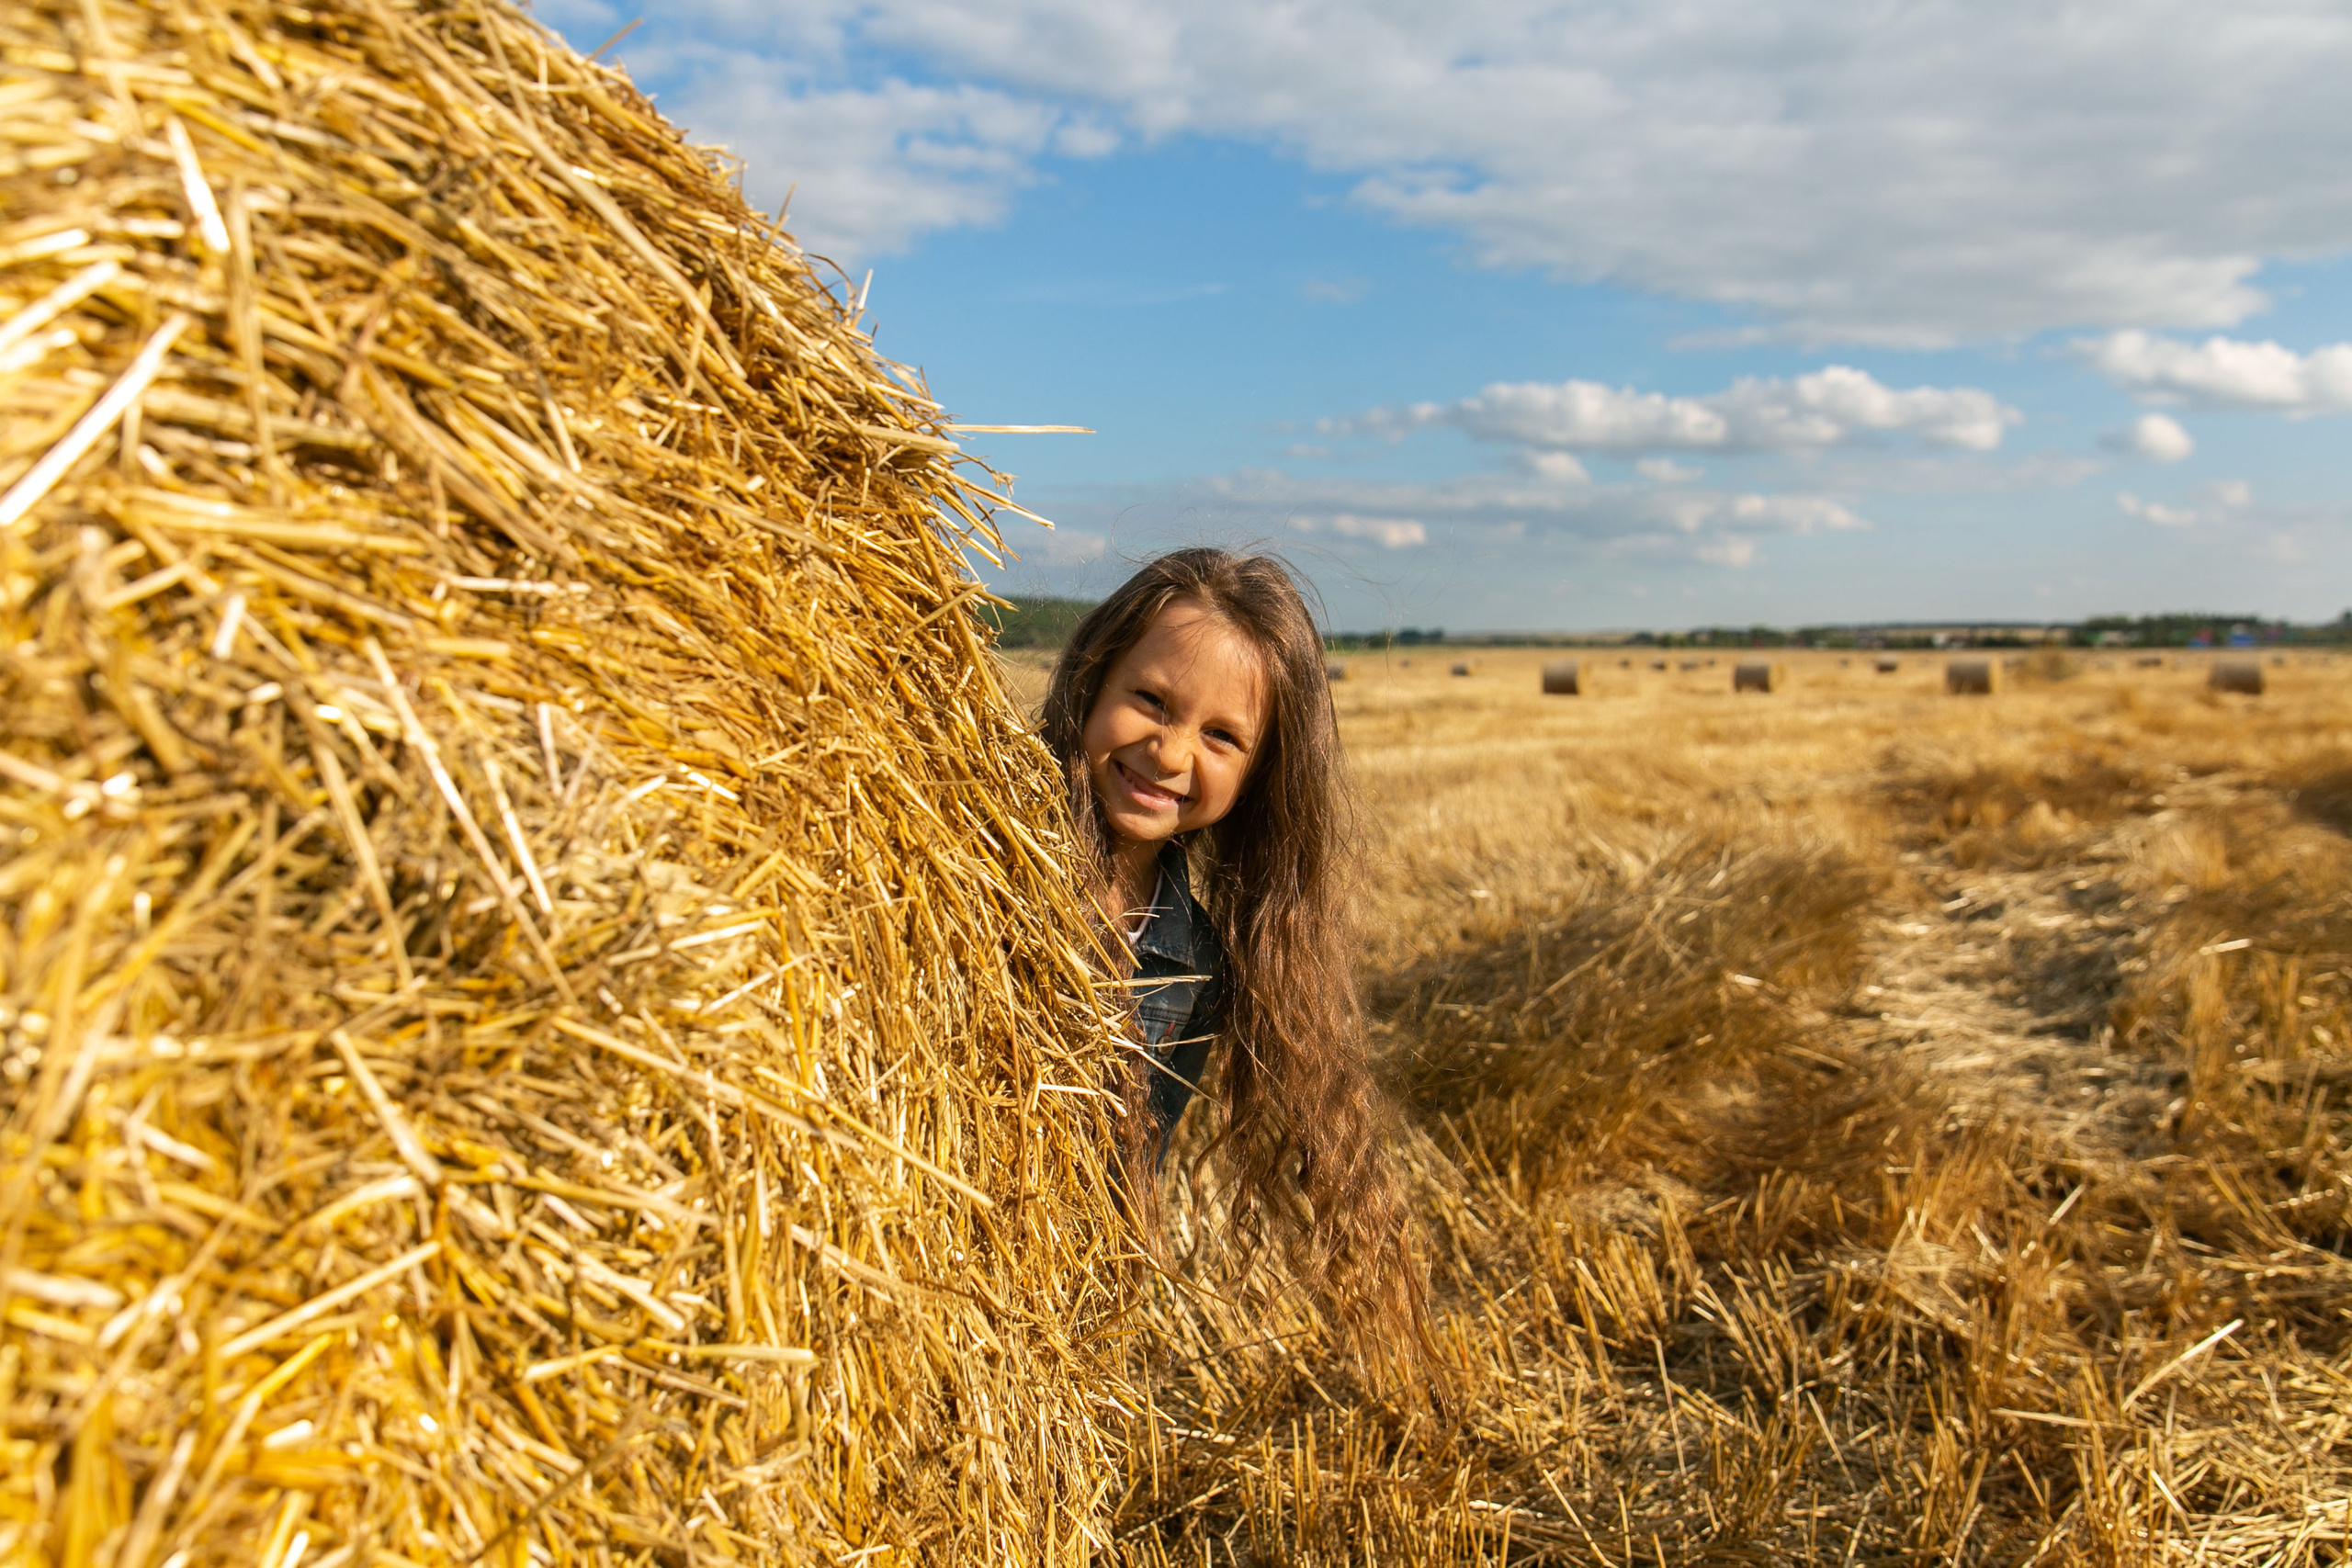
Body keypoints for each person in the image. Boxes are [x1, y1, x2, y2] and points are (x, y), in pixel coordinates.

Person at [1037, 547, 1425, 1366]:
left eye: (1221, 736)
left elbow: (1133, 1169)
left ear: (1259, 777)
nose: (1171, 753)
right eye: (1150, 700)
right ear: (1093, 679)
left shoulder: (1195, 966)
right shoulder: (977, 854)